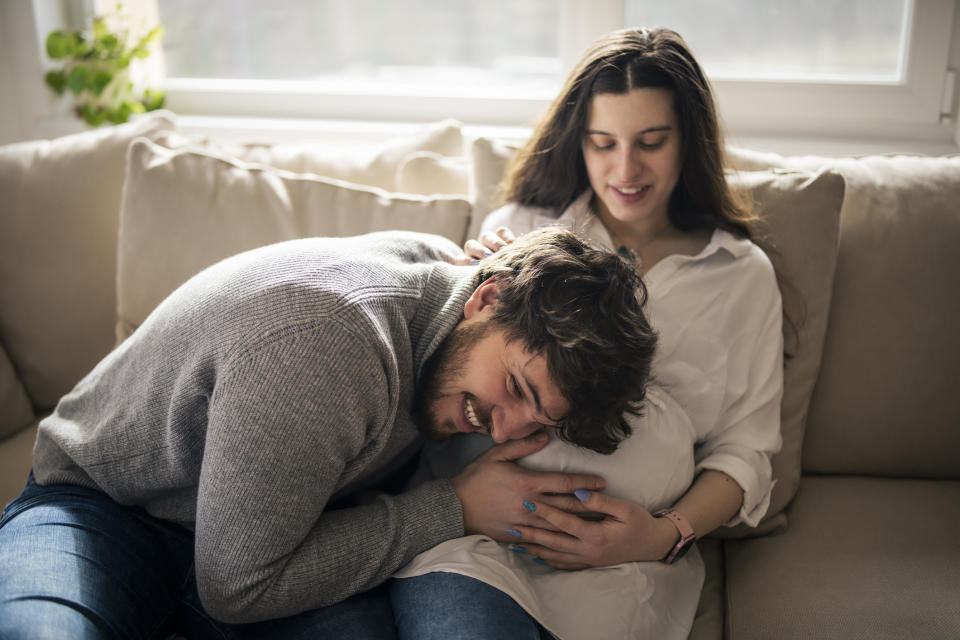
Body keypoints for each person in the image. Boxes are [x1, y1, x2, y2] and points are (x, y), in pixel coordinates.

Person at [0, 227, 657, 639]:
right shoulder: (328, 348)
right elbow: (238, 588)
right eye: (516, 388)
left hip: (288, 534)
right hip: (104, 507)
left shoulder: (449, 280)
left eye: (538, 422)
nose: (504, 429)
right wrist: (454, 507)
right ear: (486, 299)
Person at [389, 27, 784, 639]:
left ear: (688, 142)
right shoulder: (521, 231)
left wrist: (663, 534)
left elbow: (748, 450)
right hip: (477, 546)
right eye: (603, 144)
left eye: (651, 142)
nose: (625, 169)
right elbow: (443, 355)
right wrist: (463, 283)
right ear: (579, 142)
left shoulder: (740, 275)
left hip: (626, 565)